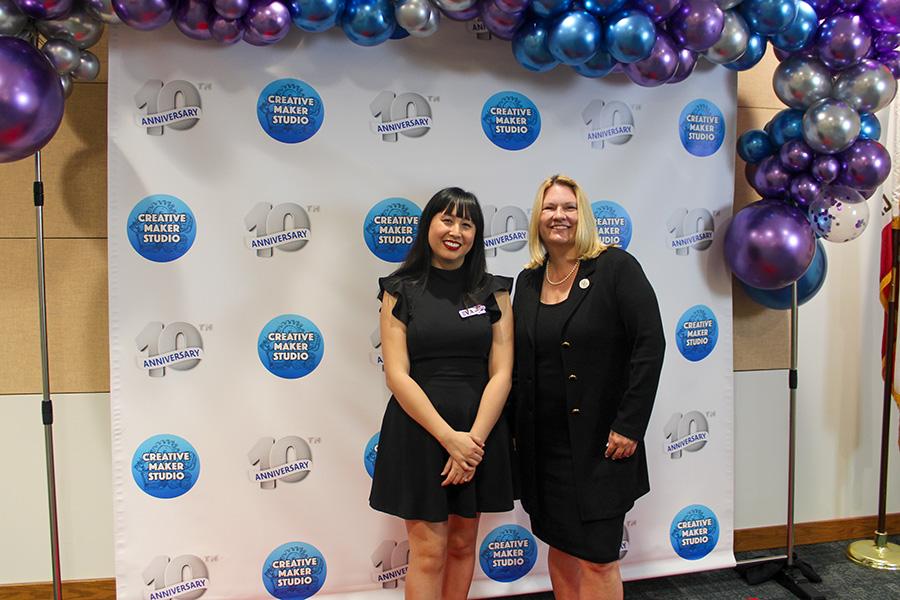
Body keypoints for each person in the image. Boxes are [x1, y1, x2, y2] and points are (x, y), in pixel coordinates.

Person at [511, 174, 665, 600]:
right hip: (544, 448)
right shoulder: (526, 282)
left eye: (569, 207)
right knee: (560, 546)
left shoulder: (616, 268)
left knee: (598, 557)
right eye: (549, 208)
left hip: (602, 443)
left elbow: (649, 346)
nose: (558, 216)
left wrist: (630, 425)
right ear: (537, 219)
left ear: (583, 215)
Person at [370, 187, 515, 599]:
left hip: (479, 432)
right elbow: (397, 375)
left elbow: (502, 373)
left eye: (466, 224)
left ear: (476, 234)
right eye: (447, 220)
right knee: (429, 551)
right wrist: (449, 439)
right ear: (429, 225)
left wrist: (473, 443)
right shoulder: (399, 289)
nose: (456, 231)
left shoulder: (494, 291)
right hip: (419, 431)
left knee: (462, 544)